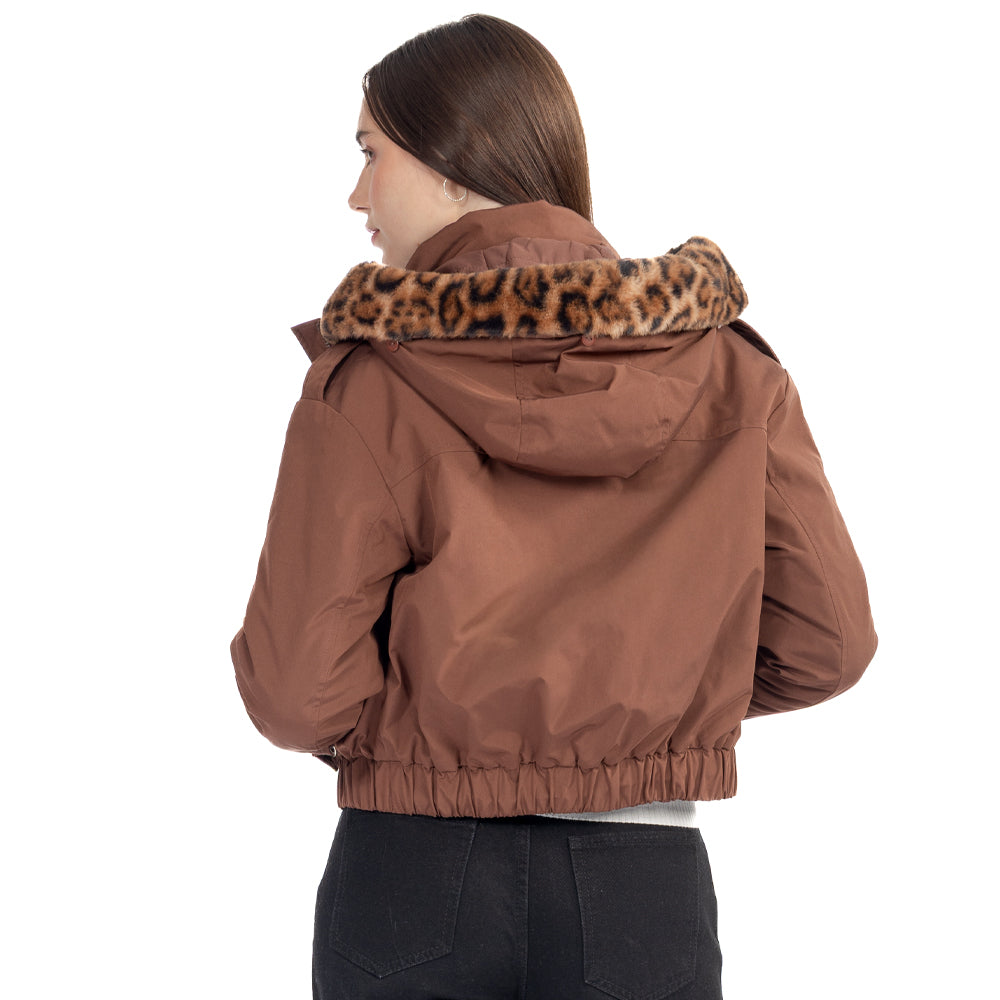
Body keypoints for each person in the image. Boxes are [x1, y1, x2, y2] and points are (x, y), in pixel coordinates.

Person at [231, 14, 877, 1000]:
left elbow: (293, 693)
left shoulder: (371, 381)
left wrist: (433, 724)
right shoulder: (731, 372)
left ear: (452, 167)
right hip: (641, 893)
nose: (357, 195)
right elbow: (828, 644)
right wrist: (646, 698)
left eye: (370, 153)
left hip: (410, 880)